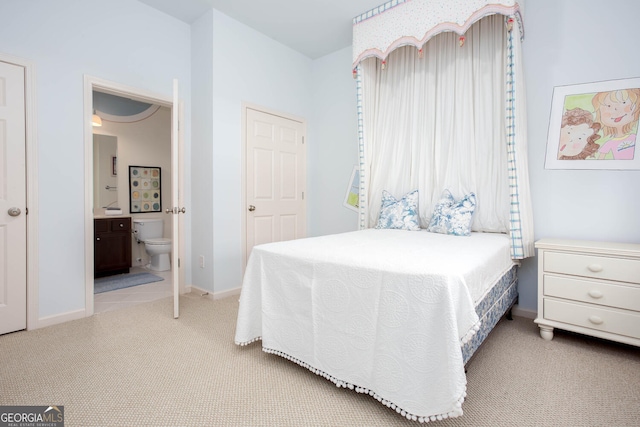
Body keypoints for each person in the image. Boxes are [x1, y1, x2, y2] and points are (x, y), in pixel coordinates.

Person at [591, 88, 640, 160]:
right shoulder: (610, 143)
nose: (616, 109)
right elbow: (600, 160)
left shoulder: (635, 137)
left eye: (623, 102)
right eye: (608, 106)